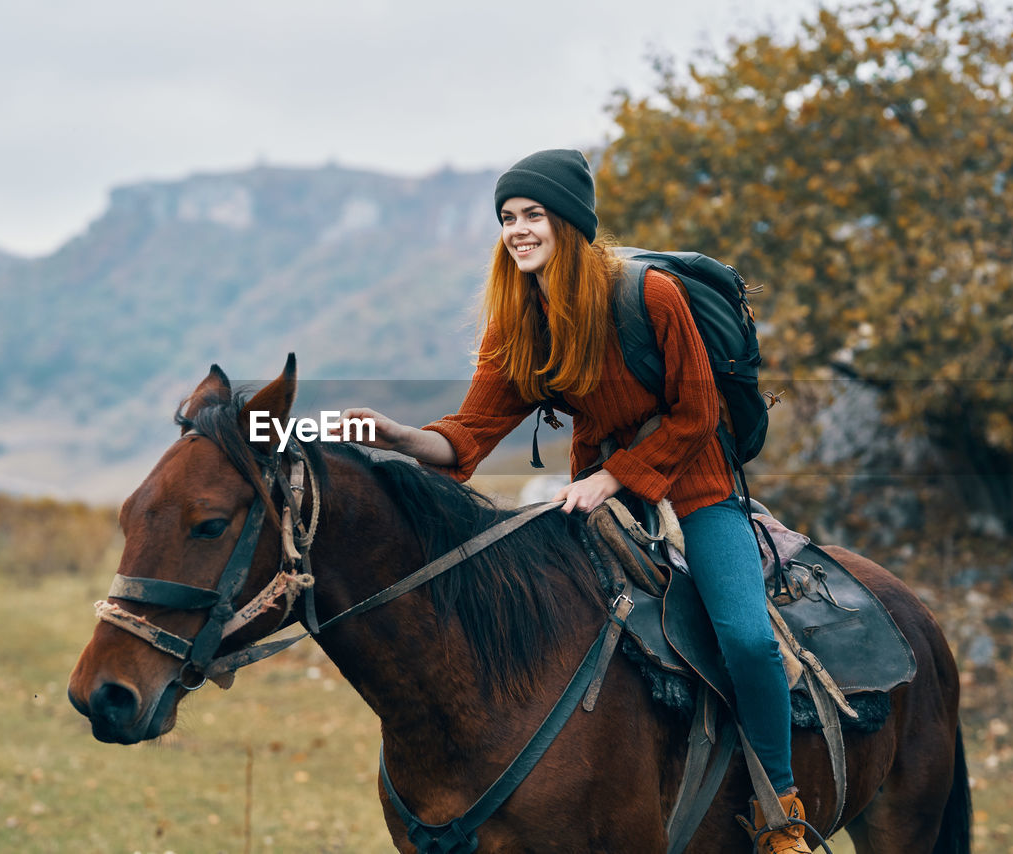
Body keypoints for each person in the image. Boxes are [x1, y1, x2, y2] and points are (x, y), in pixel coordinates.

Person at [337, 149, 811, 854]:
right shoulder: (518, 318)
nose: (518, 230)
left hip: (695, 485)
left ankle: (781, 810)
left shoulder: (649, 296)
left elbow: (695, 411)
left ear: (569, 222)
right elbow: (471, 432)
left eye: (532, 215)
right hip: (593, 492)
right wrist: (402, 435)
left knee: (744, 637)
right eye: (507, 218)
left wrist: (614, 478)